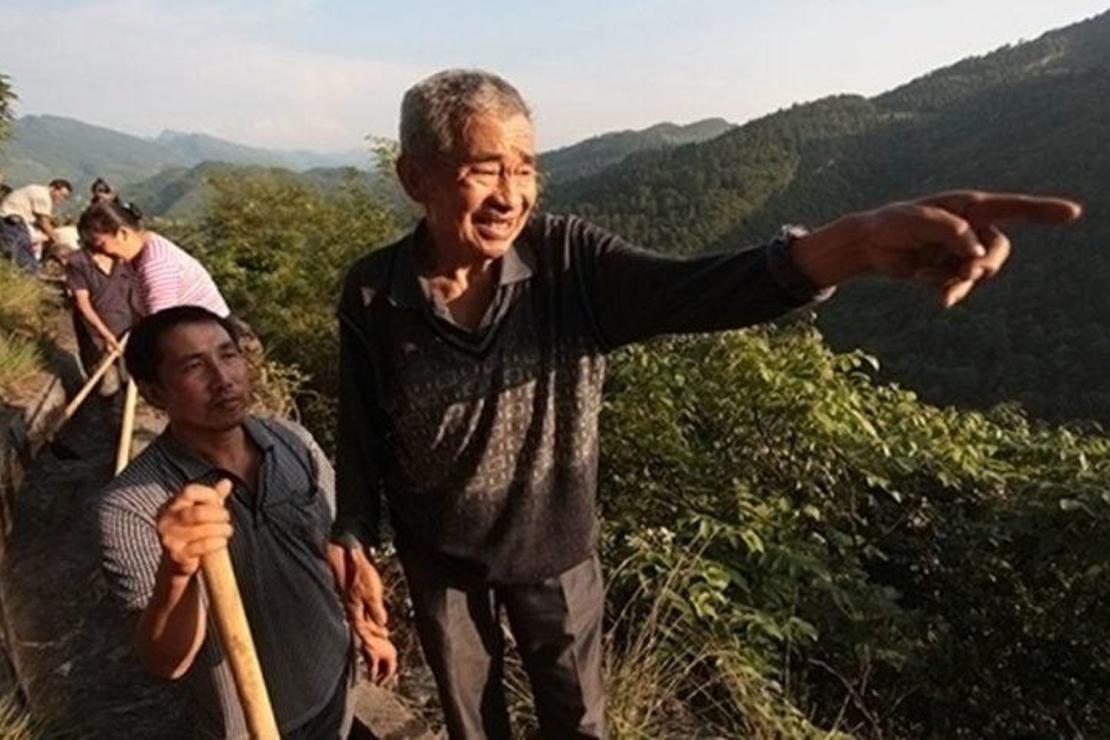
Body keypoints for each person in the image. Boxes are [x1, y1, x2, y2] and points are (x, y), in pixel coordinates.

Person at [331, 69, 1082, 739]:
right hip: (440, 560)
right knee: (472, 721)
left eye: (526, 168)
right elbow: (364, 425)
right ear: (415, 178)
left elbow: (695, 289)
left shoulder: (567, 264)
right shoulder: (373, 290)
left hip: (554, 552)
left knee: (578, 721)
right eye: (484, 169)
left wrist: (845, 247)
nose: (511, 195)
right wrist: (355, 531)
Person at [97, 306, 397, 739]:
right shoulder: (131, 505)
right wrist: (177, 572)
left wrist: (367, 628)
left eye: (228, 355)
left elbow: (332, 543)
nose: (223, 379)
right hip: (252, 725)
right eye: (194, 366)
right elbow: (166, 661)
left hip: (336, 688)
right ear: (153, 394)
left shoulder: (294, 443)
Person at [77, 200, 232, 319]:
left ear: (123, 233)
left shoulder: (156, 265)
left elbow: (161, 327)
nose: (97, 253)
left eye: (99, 245)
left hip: (208, 335)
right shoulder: (143, 247)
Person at [64, 242, 141, 397]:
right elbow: (83, 305)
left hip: (127, 332)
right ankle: (106, 415)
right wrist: (105, 335)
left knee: (131, 383)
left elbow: (138, 294)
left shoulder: (126, 257)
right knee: (107, 386)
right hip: (96, 335)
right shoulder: (78, 262)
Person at [0, 178, 72, 271]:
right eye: (61, 195)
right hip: (12, 220)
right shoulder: (43, 196)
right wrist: (56, 238)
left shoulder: (38, 190)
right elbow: (44, 222)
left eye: (64, 197)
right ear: (54, 188)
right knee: (26, 254)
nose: (61, 199)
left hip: (12, 217)